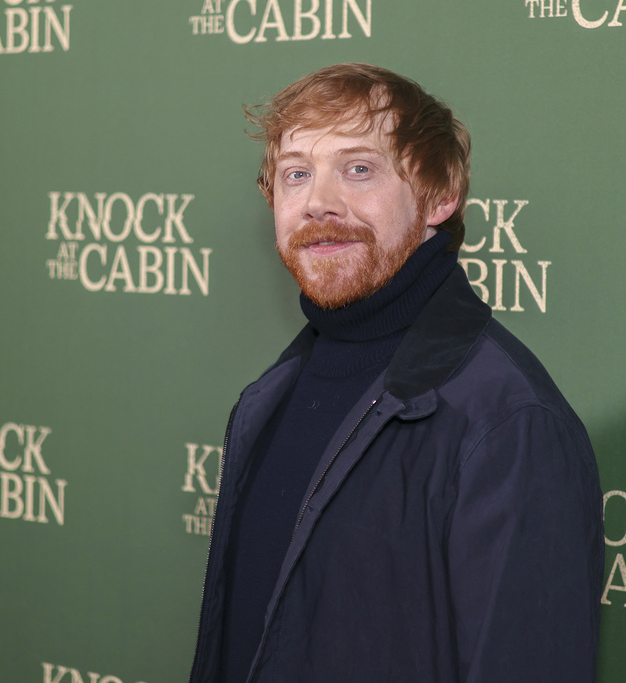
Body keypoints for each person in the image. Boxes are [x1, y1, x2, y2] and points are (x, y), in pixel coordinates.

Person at [189, 63, 603, 683]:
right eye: (296, 174)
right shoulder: (267, 400)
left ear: (440, 196)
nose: (318, 203)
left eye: (359, 169)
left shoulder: (507, 423)